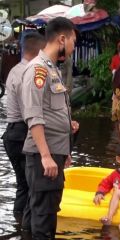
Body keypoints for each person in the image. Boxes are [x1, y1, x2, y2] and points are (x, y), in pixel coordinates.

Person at [21, 17, 79, 239]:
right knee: (44, 218)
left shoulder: (51, 69)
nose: (73, 47)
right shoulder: (38, 70)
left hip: (54, 153)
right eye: (73, 41)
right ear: (62, 39)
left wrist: (63, 150)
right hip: (42, 157)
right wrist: (46, 156)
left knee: (45, 213)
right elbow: (34, 116)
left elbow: (52, 112)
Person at [1, 32, 45, 217]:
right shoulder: (29, 72)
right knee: (31, 185)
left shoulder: (15, 69)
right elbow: (30, 111)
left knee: (23, 185)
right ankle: (25, 227)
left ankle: (18, 225)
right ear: (39, 50)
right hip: (21, 133)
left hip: (12, 133)